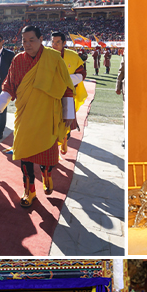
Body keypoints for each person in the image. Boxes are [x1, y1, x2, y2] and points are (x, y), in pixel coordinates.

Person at [0, 25, 77, 209]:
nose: (27, 44)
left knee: (46, 158)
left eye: (31, 40)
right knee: (25, 156)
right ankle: (30, 191)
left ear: (41, 39)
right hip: (25, 117)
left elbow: (67, 87)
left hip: (47, 117)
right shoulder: (18, 60)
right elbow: (9, 86)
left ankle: (46, 174)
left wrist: (68, 114)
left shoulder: (53, 58)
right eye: (24, 41)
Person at [48, 31, 89, 193]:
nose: (54, 45)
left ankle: (65, 137)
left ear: (64, 43)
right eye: (53, 42)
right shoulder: (46, 55)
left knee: (67, 121)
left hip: (67, 94)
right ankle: (53, 151)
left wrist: (66, 79)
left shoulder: (72, 56)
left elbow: (82, 74)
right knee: (51, 123)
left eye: (57, 42)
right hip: (51, 95)